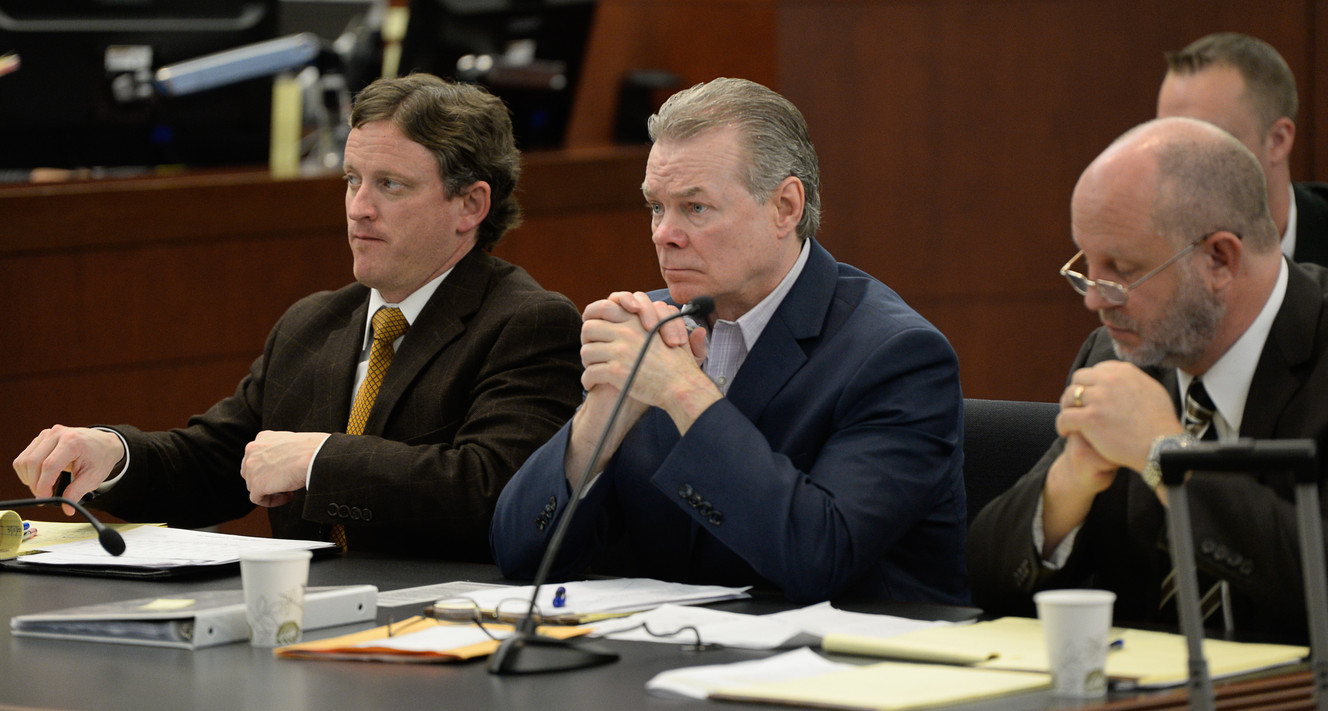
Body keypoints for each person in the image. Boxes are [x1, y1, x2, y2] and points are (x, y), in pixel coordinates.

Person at [11, 74, 584, 561]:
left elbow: (494, 490)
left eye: (390, 185)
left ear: (471, 206)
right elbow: (217, 462)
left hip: (442, 623)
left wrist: (319, 460)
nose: (359, 207)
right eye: (353, 180)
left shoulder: (529, 323)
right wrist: (116, 455)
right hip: (304, 619)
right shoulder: (314, 323)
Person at [489, 77, 968, 605]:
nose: (663, 234)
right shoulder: (654, 327)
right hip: (672, 660)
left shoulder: (896, 356)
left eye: (695, 208)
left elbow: (820, 557)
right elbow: (519, 554)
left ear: (785, 207)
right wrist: (604, 412)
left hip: (857, 670)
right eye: (656, 206)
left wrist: (682, 393)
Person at [967, 116, 1328, 637]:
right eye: (1086, 265)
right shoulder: (1119, 353)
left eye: (1122, 270)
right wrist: (1067, 486)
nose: (1094, 299)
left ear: (1220, 258)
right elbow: (987, 582)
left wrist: (1166, 456)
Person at [1157, 32, 1328, 268]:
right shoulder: (1147, 247)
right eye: (1170, 141)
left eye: (1207, 141)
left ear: (1278, 141)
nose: (1181, 166)